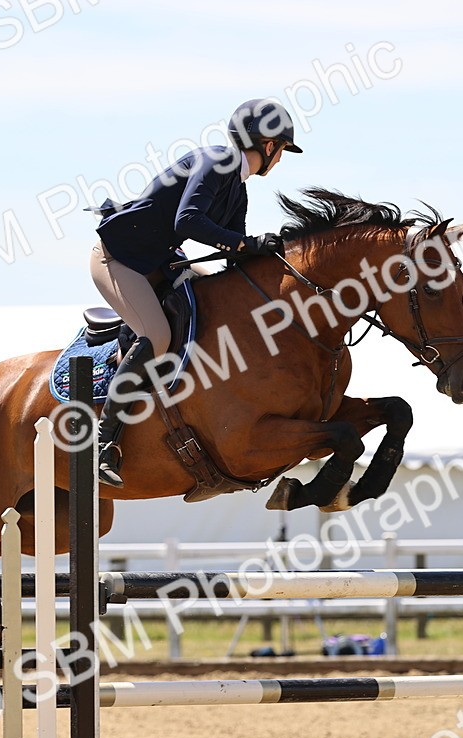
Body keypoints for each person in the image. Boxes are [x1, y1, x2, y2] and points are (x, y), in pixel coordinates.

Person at [88, 98, 303, 488]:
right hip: (120, 261)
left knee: (216, 302)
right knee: (157, 335)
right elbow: (188, 220)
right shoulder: (216, 161)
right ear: (269, 146)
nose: (281, 158)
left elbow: (233, 260)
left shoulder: (238, 191)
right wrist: (247, 243)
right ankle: (103, 443)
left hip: (162, 261)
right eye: (283, 150)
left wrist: (275, 259)